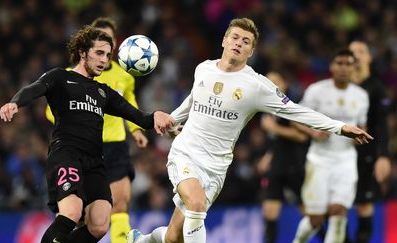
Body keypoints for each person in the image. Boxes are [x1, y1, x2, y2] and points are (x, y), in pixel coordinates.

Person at [126, 18, 373, 243]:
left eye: (246, 41)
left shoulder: (257, 86)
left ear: (251, 51)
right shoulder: (203, 69)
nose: (238, 43)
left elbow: (297, 111)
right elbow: (194, 100)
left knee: (173, 238)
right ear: (224, 40)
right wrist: (173, 118)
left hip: (216, 168)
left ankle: (142, 241)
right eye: (234, 37)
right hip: (185, 153)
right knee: (197, 204)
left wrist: (340, 127)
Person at [0, 25, 174, 243]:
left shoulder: (103, 92)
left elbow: (138, 116)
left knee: (100, 224)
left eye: (108, 55)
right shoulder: (60, 77)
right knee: (72, 212)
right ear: (83, 52)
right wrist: (15, 103)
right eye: (99, 53)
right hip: (67, 154)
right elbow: (34, 88)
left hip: (95, 161)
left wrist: (156, 115)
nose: (104, 60)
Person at [45, 17, 147, 243]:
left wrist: (137, 130)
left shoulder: (124, 75)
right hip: (83, 147)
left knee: (119, 204)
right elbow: (50, 110)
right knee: (80, 214)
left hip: (115, 145)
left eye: (108, 40)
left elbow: (129, 103)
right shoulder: (74, 75)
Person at [292, 49, 369, 243]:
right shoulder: (316, 91)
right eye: (339, 63)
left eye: (348, 64)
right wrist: (312, 132)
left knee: (339, 211)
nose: (343, 68)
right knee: (316, 219)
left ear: (353, 68)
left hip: (346, 160)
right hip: (319, 160)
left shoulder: (360, 96)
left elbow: (362, 125)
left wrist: (359, 135)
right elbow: (295, 118)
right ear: (332, 66)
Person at [348, 40, 391, 243]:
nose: (356, 55)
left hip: (366, 155)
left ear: (369, 58)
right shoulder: (338, 87)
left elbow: (382, 125)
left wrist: (383, 156)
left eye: (361, 51)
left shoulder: (376, 88)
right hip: (338, 155)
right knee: (333, 207)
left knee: (364, 205)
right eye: (352, 51)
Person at [258, 72, 309, 243]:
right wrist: (269, 155)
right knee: (270, 211)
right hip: (276, 167)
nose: (271, 84)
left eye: (276, 81)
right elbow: (275, 140)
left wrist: (274, 128)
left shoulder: (290, 106)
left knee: (310, 214)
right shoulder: (265, 107)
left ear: (284, 85)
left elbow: (302, 136)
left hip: (294, 165)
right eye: (268, 81)